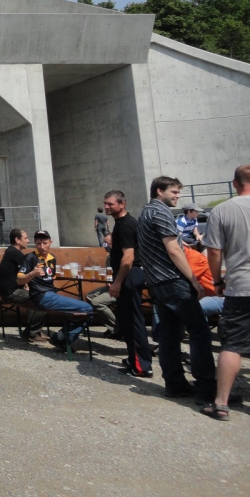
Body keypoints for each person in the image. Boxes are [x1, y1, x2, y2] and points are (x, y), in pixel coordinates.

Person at [137, 176, 215, 405]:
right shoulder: (160, 212)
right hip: (172, 280)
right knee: (199, 331)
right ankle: (207, 390)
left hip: (158, 282)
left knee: (169, 333)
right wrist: (194, 280)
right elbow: (173, 249)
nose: (178, 196)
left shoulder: (146, 212)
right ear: (159, 191)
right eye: (174, 192)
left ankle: (175, 384)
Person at [205, 164, 250, 420]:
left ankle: (221, 404)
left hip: (241, 285)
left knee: (232, 345)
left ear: (234, 183)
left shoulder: (223, 209)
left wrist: (217, 281)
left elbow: (214, 251)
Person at [102, 190, 153, 378]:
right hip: (128, 276)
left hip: (130, 276)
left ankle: (141, 366)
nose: (106, 207)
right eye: (105, 204)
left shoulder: (125, 225)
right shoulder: (122, 223)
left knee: (133, 321)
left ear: (122, 204)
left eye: (110, 204)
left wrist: (117, 282)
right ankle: (134, 359)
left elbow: (128, 257)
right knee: (127, 320)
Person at [19, 231, 93, 352]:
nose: (42, 246)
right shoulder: (30, 257)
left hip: (51, 294)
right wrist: (32, 273)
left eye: (45, 243)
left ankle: (62, 337)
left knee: (84, 310)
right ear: (35, 243)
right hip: (41, 296)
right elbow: (19, 280)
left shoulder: (52, 258)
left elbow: (50, 277)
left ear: (50, 242)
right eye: (38, 243)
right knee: (87, 308)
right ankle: (61, 338)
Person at [0, 228, 46, 341]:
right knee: (44, 300)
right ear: (17, 240)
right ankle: (32, 332)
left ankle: (34, 331)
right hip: (11, 292)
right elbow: (28, 274)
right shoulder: (15, 254)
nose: (28, 241)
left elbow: (23, 275)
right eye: (26, 238)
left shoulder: (12, 251)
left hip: (9, 290)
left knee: (36, 297)